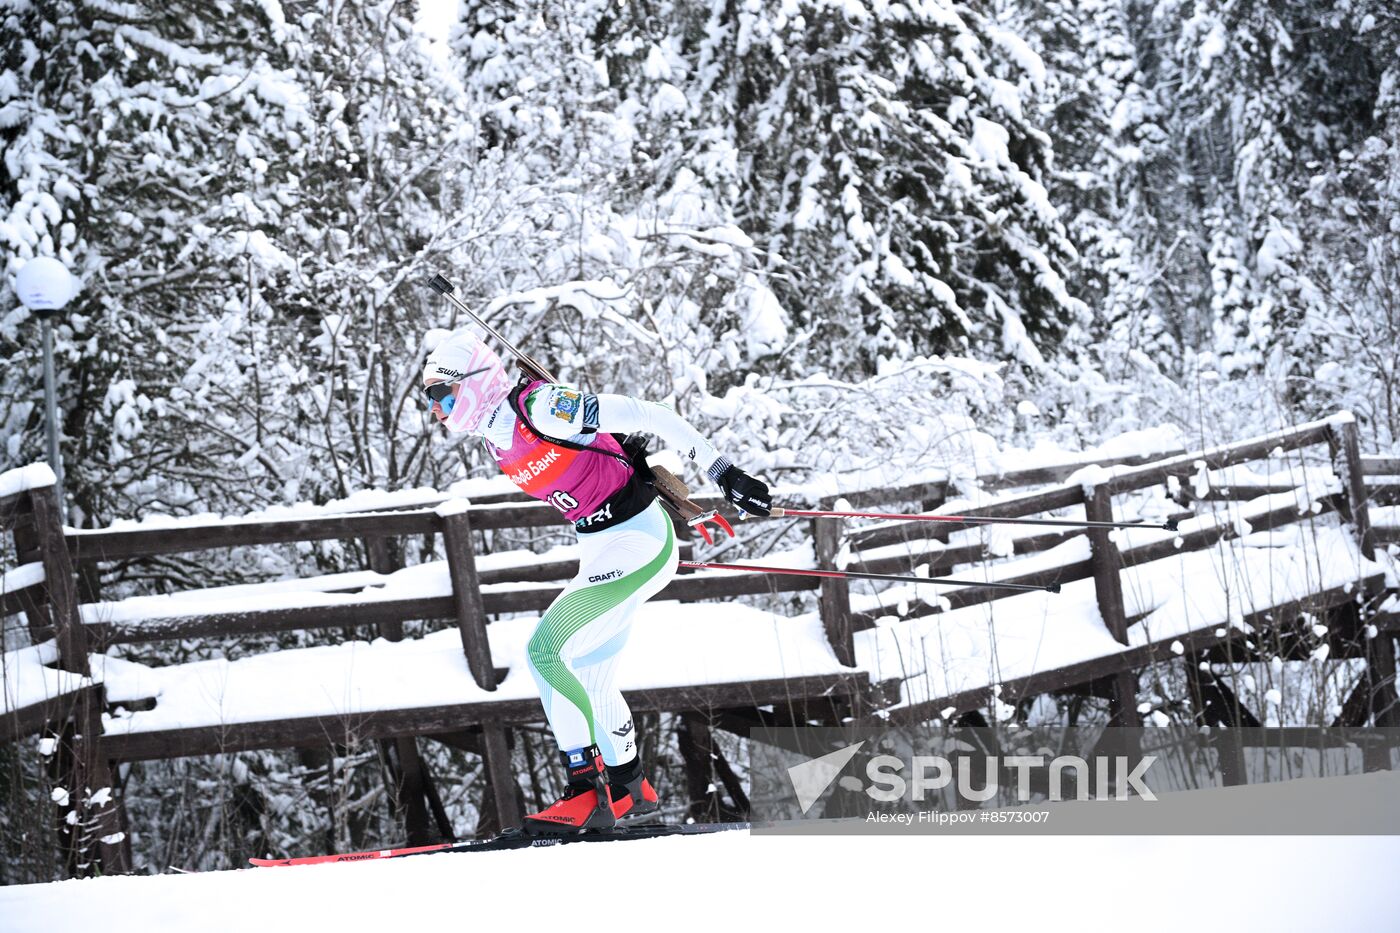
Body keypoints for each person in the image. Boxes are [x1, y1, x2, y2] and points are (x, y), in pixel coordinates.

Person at [422, 329, 772, 833]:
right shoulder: (498, 438)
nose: (437, 409)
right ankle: (632, 789)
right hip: (602, 551)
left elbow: (649, 415)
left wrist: (725, 472)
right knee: (587, 672)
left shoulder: (540, 408)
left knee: (545, 653)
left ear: (473, 383)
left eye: (441, 393)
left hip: (639, 543)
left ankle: (584, 791)